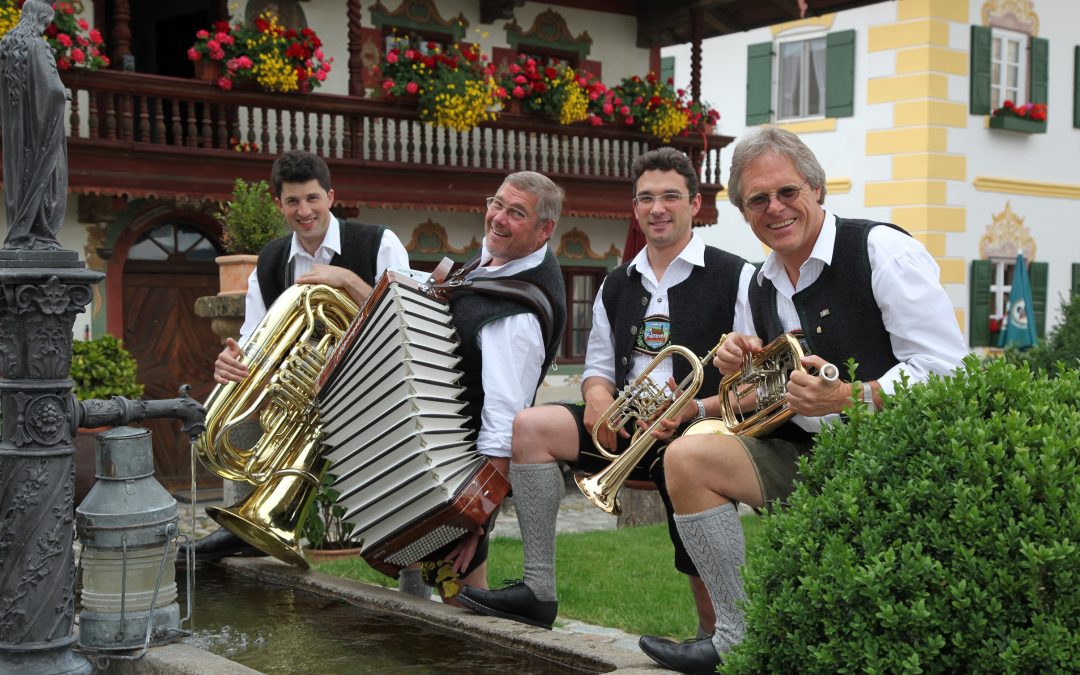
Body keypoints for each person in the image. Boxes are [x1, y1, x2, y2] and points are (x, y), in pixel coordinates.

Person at [636, 126, 969, 674]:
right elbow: (765, 396)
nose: (775, 207)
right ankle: (733, 640)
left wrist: (847, 396)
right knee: (688, 456)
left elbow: (948, 371)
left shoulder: (880, 250)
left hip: (897, 460)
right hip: (811, 459)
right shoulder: (760, 284)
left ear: (816, 189)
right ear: (744, 213)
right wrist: (735, 376)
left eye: (787, 191)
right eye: (758, 199)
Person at [456, 147, 756, 630]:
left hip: (697, 429)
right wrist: (597, 398)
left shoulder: (736, 275)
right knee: (531, 426)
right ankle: (538, 589)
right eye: (646, 198)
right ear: (634, 207)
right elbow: (597, 367)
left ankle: (716, 633)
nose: (657, 209)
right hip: (624, 427)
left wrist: (692, 409)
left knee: (693, 512)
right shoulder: (617, 283)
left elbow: (756, 384)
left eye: (670, 197)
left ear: (694, 204)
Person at [188, 149, 410, 559]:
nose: (304, 211)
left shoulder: (379, 243)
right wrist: (233, 362)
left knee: (402, 519)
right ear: (279, 205)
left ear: (330, 196)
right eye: (293, 201)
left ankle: (412, 573)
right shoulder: (271, 260)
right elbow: (254, 340)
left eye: (312, 198)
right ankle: (250, 526)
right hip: (310, 401)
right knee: (244, 421)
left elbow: (406, 320)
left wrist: (348, 280)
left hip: (374, 391)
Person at [413, 170, 567, 605]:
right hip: (442, 455)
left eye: (516, 213)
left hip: (462, 468)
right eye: (496, 203)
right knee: (417, 561)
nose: (498, 217)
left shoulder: (517, 315)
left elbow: (503, 422)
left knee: (459, 593)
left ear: (544, 230)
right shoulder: (490, 265)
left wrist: (476, 517)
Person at [0, 0, 68, 251]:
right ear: (40, 18)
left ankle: (20, 231)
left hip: (17, 131)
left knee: (21, 177)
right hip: (42, 131)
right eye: (46, 21)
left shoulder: (8, 47)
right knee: (49, 179)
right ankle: (38, 234)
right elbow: (52, 90)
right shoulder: (38, 46)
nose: (46, 26)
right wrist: (64, 93)